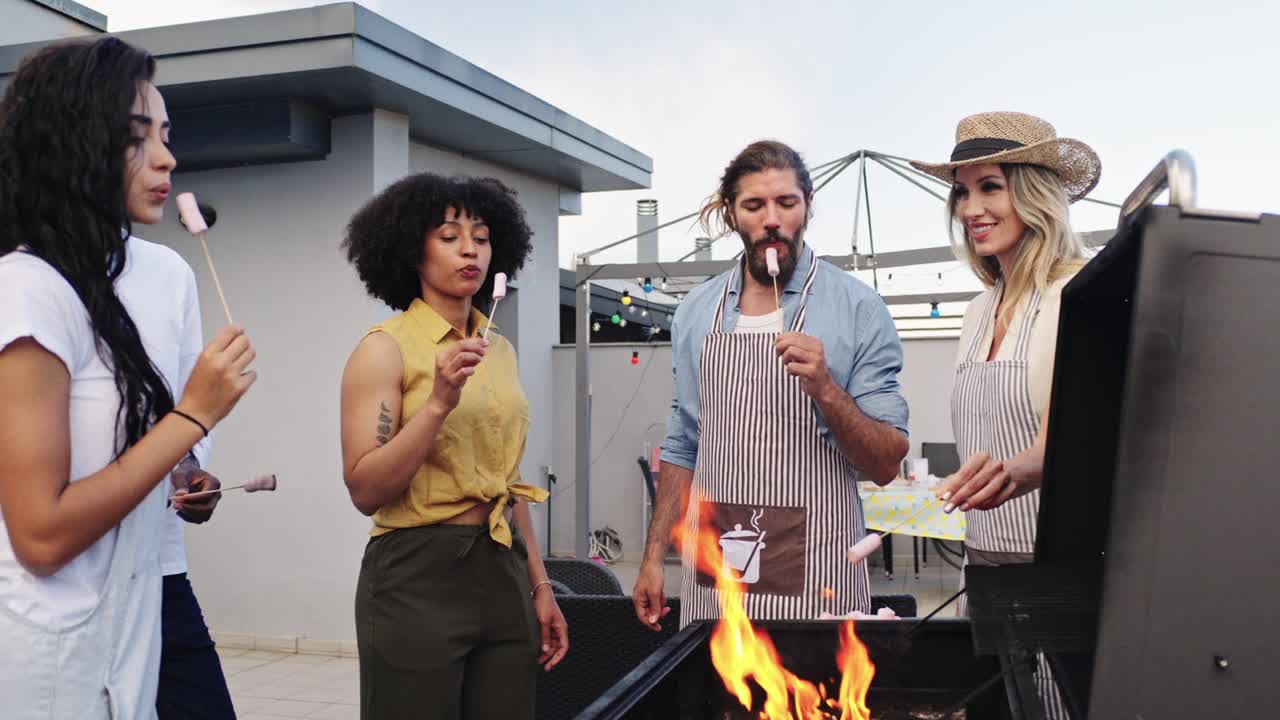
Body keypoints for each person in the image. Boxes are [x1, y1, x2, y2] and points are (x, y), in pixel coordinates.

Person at [0, 37, 256, 719]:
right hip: (52, 631)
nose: (168, 158)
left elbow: (166, 434)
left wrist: (190, 466)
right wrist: (194, 417)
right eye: (136, 138)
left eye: (167, 136)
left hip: (143, 593)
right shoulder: (27, 290)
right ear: (74, 144)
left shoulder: (166, 273)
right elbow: (41, 536)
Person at [632, 140, 910, 630]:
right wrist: (654, 557)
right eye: (754, 205)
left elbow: (887, 463)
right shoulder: (697, 311)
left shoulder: (857, 308)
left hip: (819, 564)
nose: (772, 220)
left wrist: (826, 387)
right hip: (717, 568)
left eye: (787, 202)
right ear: (731, 213)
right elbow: (683, 442)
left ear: (807, 204)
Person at [339, 173, 567, 720]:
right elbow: (366, 488)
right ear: (410, 251)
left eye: (483, 236)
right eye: (448, 235)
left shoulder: (502, 350)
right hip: (416, 574)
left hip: (502, 566)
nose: (470, 248)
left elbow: (506, 480)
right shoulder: (384, 350)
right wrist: (438, 402)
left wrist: (539, 581)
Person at [910, 110, 1102, 719]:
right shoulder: (974, 312)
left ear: (1035, 193)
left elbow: (1085, 437)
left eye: (990, 186)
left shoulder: (1078, 294)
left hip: (1055, 567)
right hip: (984, 563)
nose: (971, 208)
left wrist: (1017, 472)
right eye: (962, 192)